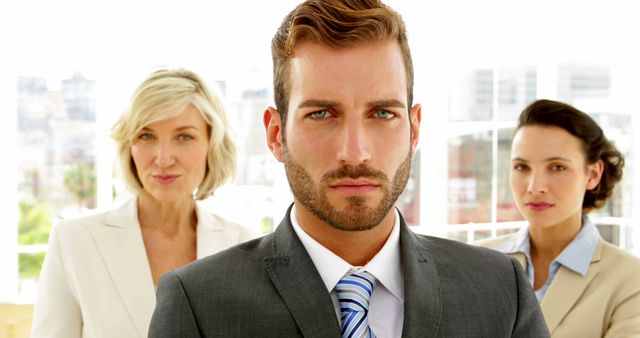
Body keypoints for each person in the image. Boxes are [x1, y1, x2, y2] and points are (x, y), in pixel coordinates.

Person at [149, 1, 550, 337]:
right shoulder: (197, 304)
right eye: (322, 113)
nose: (355, 152)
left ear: (414, 129)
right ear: (275, 134)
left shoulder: (500, 291)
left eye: (382, 113)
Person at [30, 68, 258, 338]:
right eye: (146, 136)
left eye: (184, 137)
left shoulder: (246, 248)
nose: (163, 159)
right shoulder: (74, 241)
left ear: (212, 143)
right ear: (129, 146)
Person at [479, 99, 640, 337]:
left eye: (557, 167)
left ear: (593, 174)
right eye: (522, 167)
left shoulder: (630, 280)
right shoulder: (475, 262)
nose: (535, 186)